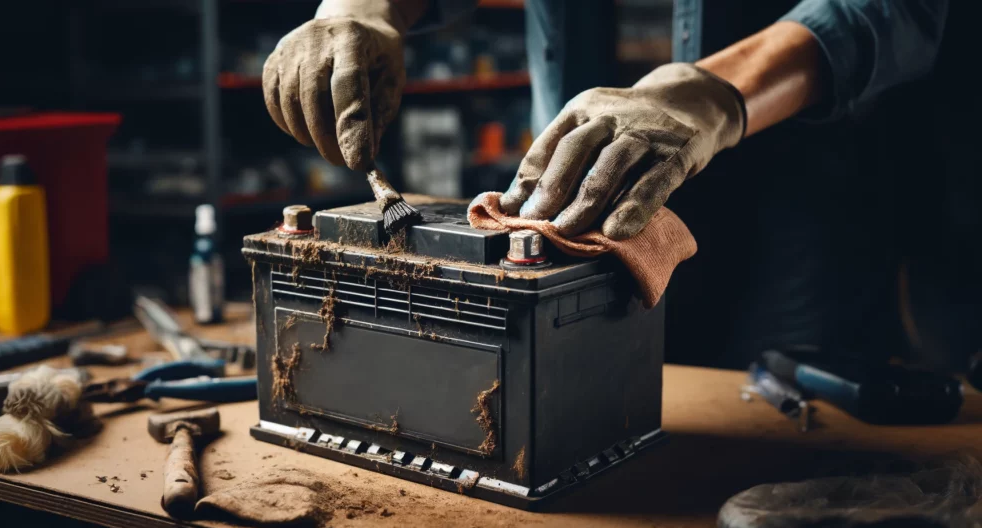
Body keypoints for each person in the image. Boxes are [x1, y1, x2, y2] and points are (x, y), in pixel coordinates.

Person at [262, 0, 954, 368]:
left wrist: (709, 94)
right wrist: (363, 6)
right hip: (582, 204)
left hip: (794, 200)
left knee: (781, 476)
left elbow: (899, 9)